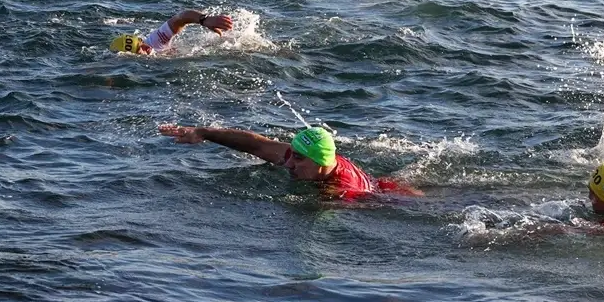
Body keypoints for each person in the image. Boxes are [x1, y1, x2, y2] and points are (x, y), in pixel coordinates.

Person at [157, 124, 419, 200]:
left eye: (299, 159)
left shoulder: (343, 191)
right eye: (292, 155)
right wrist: (203, 133)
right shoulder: (304, 159)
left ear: (321, 163)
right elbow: (257, 144)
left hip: (385, 194)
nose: (290, 164)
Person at [110, 9, 233, 55]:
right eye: (138, 50)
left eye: (141, 43)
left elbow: (180, 17)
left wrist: (204, 20)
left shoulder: (154, 41)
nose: (145, 48)